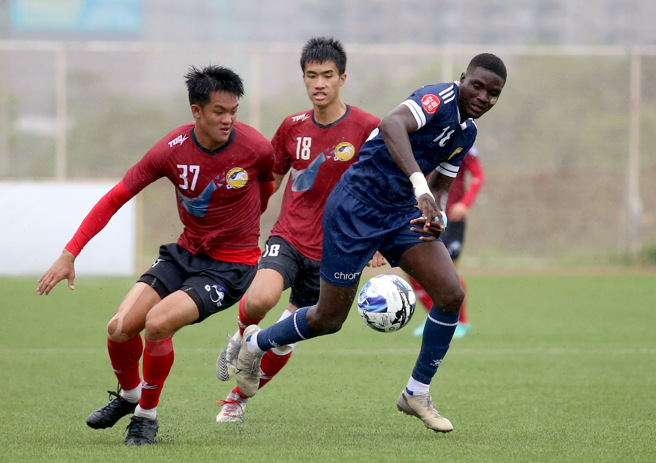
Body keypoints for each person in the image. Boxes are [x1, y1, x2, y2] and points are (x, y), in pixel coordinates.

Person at [234, 53, 506, 433]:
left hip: (400, 214)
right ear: (463, 79)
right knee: (327, 319)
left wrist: (437, 215)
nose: (483, 96)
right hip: (354, 210)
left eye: (493, 93)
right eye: (477, 85)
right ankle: (257, 343)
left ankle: (416, 392)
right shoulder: (436, 99)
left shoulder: (467, 132)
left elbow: (443, 184)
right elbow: (392, 123)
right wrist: (419, 186)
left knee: (450, 294)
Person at [36, 65, 275, 445]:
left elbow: (267, 184)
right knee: (119, 328)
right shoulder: (171, 151)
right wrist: (70, 253)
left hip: (231, 266)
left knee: (158, 322)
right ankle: (129, 395)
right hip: (183, 254)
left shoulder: (257, 147)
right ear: (196, 111)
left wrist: (245, 228)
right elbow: (117, 197)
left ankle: (146, 417)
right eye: (219, 112)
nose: (228, 120)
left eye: (234, 111)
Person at [214, 37, 381, 423]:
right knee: (260, 299)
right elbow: (269, 179)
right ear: (303, 79)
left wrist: (376, 240)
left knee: (287, 340)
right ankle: (240, 337)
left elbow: (379, 187)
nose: (318, 83)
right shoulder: (292, 127)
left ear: (342, 78)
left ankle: (236, 400)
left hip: (336, 251)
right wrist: (243, 223)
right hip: (289, 235)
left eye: (327, 75)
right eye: (311, 75)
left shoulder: (367, 127)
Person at [411, 146, 484, 338]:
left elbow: (478, 176)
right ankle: (433, 317)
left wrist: (464, 204)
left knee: (448, 271)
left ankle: (461, 321)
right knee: (411, 269)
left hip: (450, 217)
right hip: (421, 215)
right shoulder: (417, 138)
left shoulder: (461, 138)